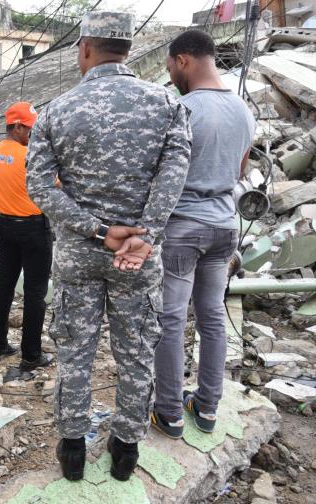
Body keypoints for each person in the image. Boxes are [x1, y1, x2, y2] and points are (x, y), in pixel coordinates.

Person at [26, 11, 191, 482]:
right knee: (136, 351)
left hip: (79, 255)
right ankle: (124, 453)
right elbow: (174, 173)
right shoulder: (166, 104)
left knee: (75, 350)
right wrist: (144, 234)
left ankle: (73, 451)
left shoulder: (57, 110)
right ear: (129, 49)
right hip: (137, 260)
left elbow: (38, 186)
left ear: (84, 49)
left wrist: (97, 230)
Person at [151, 30, 254, 439]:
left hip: (182, 227)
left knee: (172, 319)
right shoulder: (244, 110)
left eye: (171, 67)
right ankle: (207, 407)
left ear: (184, 60)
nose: (172, 75)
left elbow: (162, 173)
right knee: (212, 316)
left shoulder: (181, 108)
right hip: (224, 226)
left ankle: (169, 413)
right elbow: (241, 171)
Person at [0, 102, 53, 371]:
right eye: (30, 129)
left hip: (5, 226)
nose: (33, 135)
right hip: (33, 228)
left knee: (4, 283)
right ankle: (31, 355)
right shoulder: (28, 156)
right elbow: (56, 183)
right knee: (35, 292)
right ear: (16, 127)